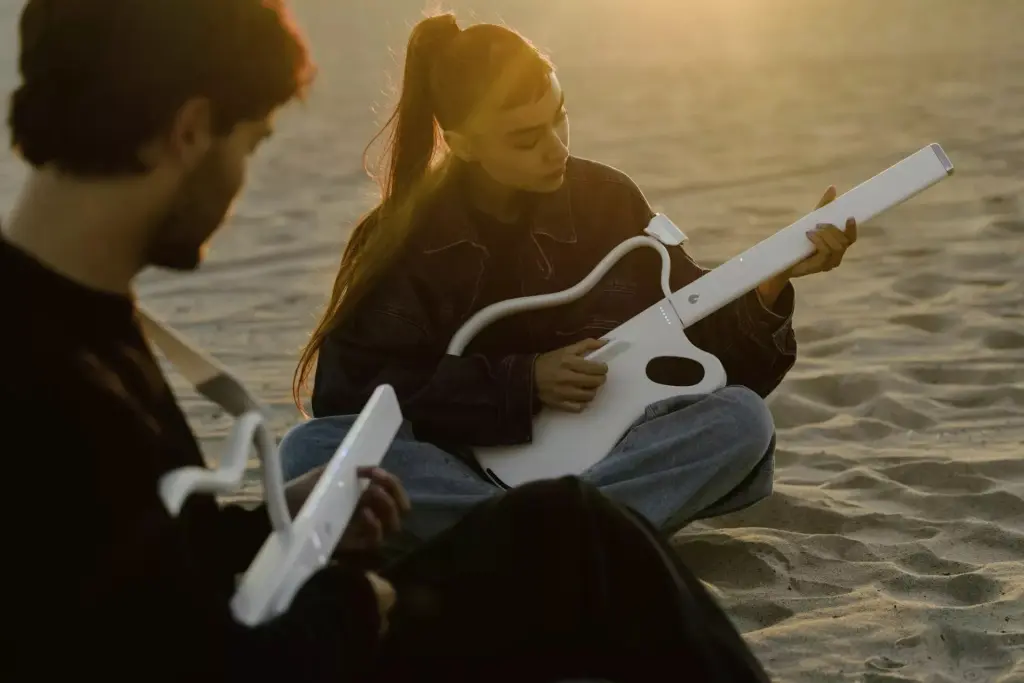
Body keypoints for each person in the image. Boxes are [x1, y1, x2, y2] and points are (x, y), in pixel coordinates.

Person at [0, 2, 775, 681]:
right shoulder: (51, 377)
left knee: (570, 524)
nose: (240, 181)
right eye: (253, 143)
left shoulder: (79, 326)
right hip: (306, 645)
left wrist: (270, 519)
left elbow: (120, 556)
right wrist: (349, 603)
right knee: (577, 540)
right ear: (190, 131)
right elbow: (159, 654)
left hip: (299, 615)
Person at [283, 12, 859, 553]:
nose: (556, 148)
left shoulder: (607, 199)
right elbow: (350, 398)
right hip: (461, 469)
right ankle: (572, 538)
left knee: (742, 419)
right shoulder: (400, 237)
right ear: (462, 144)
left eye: (560, 115)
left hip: (610, 459)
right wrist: (523, 381)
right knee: (309, 452)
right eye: (525, 137)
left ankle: (527, 541)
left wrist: (767, 289)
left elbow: (708, 356)